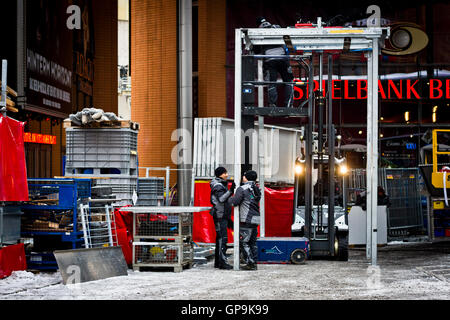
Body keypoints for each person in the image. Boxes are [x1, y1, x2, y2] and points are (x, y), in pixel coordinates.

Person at [256, 16, 294, 108]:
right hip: (283, 59)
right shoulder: (276, 27)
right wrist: (290, 50)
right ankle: (289, 105)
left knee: (272, 82)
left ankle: (272, 104)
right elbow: (288, 40)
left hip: (270, 60)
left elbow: (256, 50)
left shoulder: (257, 32)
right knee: (289, 82)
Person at [228, 170, 261, 270]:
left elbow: (235, 202)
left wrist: (228, 197)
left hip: (246, 219)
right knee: (253, 243)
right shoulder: (257, 188)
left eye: (244, 176)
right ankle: (254, 262)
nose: (243, 177)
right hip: (255, 218)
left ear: (246, 177)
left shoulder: (242, 189)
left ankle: (250, 263)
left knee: (244, 242)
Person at [210, 166, 236, 270]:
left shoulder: (219, 185)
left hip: (222, 215)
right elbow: (221, 199)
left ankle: (218, 262)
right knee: (222, 239)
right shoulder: (218, 186)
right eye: (225, 173)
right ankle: (222, 263)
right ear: (220, 174)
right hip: (220, 216)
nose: (227, 175)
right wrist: (231, 191)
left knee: (220, 239)